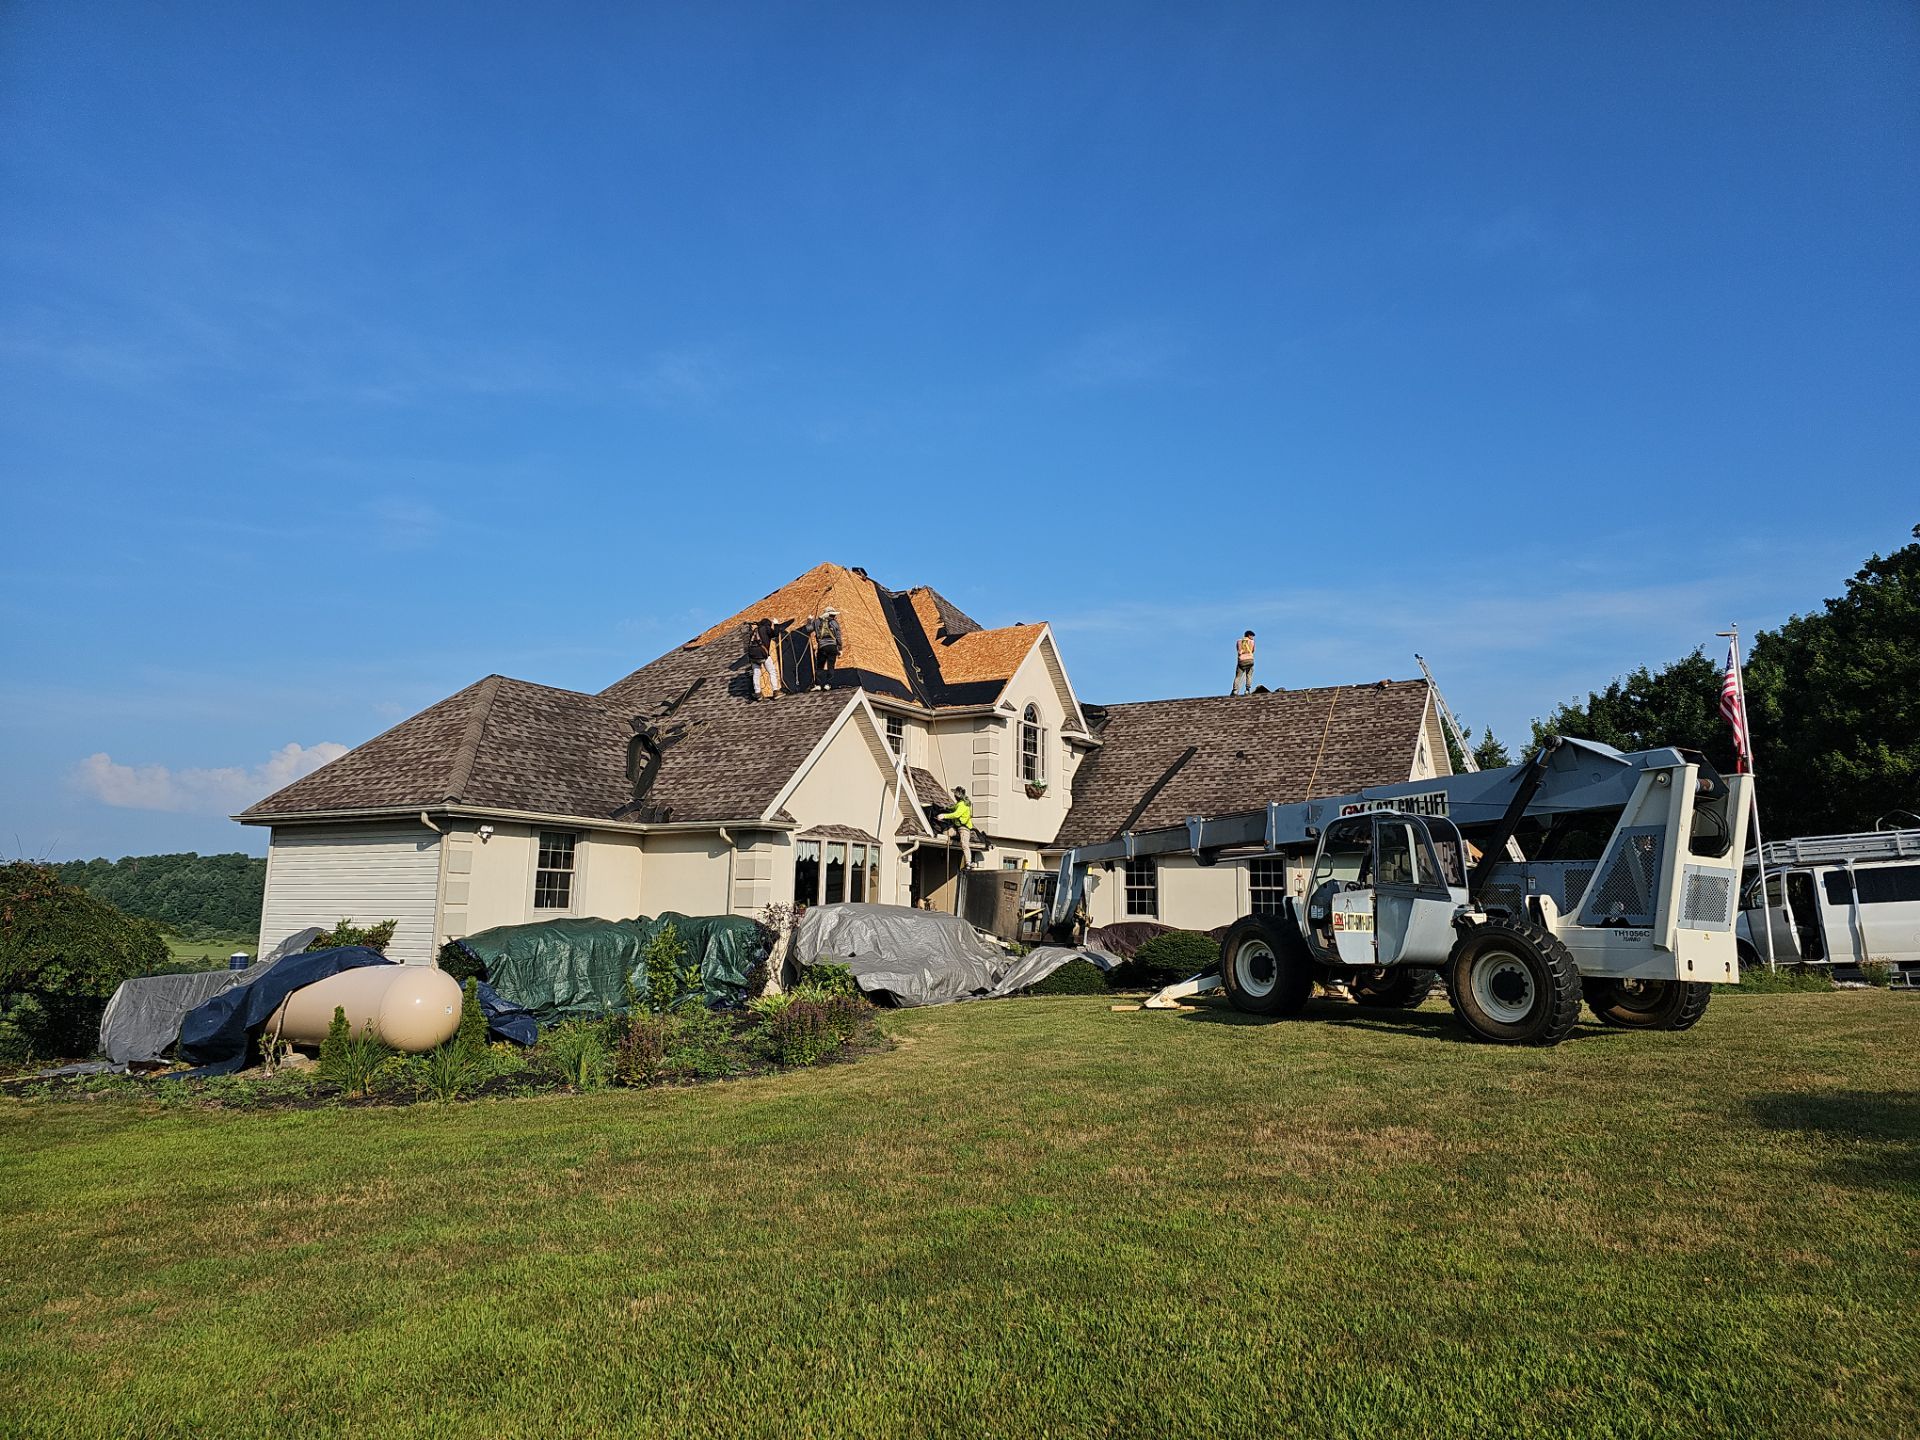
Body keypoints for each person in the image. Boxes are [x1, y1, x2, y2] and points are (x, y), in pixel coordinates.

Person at [804, 607, 844, 690]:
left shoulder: (817, 622)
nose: (834, 617)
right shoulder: (834, 622)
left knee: (819, 666)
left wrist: (809, 621)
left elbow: (808, 629)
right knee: (831, 666)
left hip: (822, 647)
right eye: (833, 615)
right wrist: (840, 648)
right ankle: (828, 684)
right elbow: (838, 636)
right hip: (832, 647)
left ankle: (818, 685)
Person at [744, 617, 783, 700]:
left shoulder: (755, 631)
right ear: (768, 624)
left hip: (753, 656)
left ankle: (757, 693)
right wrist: (776, 624)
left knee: (756, 673)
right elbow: (775, 634)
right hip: (763, 654)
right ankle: (776, 691)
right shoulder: (766, 628)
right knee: (772, 671)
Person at [936, 786, 974, 853]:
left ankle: (968, 862)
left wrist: (944, 816)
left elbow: (956, 814)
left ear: (958, 795)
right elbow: (953, 808)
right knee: (945, 833)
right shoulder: (958, 804)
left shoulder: (963, 804)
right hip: (957, 828)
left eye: (955, 794)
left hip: (964, 828)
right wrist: (946, 808)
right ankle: (956, 837)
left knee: (964, 845)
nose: (954, 796)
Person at [1232, 630, 1256, 695]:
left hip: (1241, 661)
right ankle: (1247, 690)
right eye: (1252, 636)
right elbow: (1253, 650)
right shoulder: (1252, 642)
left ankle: (1235, 690)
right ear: (1249, 635)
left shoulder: (1239, 641)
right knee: (1249, 675)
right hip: (1250, 660)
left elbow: (1238, 650)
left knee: (1238, 676)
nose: (1253, 638)